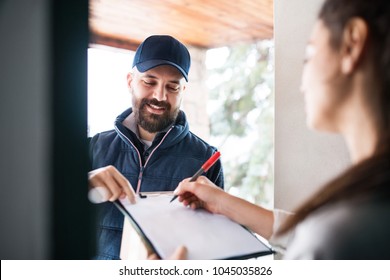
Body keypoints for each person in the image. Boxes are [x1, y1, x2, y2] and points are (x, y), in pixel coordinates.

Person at [174, 0, 390, 259]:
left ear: (352, 43)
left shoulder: (337, 237)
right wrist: (223, 203)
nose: (302, 84)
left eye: (308, 56)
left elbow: (320, 239)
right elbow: (304, 231)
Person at [88, 35, 224, 260]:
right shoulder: (94, 147)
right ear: (130, 80)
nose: (160, 96)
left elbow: (215, 251)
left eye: (172, 86)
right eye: (149, 82)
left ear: (183, 91)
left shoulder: (206, 158)